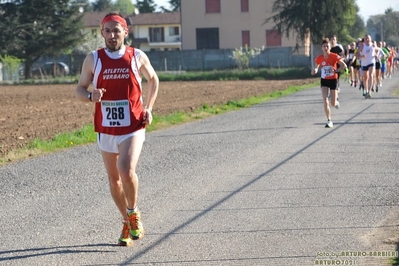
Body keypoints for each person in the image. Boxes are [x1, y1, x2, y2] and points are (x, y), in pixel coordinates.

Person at [75, 12, 159, 246]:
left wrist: (149, 108)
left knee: (126, 170)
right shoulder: (93, 59)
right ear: (101, 33)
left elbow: (153, 79)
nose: (112, 35)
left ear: (125, 32)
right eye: (108, 31)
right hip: (106, 127)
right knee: (114, 181)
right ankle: (126, 221)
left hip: (133, 125)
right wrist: (91, 95)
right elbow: (79, 90)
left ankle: (133, 213)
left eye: (116, 30)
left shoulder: (136, 56)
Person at [311, 38, 347, 128]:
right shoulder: (319, 58)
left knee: (333, 103)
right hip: (324, 80)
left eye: (327, 46)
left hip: (333, 80)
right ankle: (329, 120)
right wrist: (315, 70)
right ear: (322, 48)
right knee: (325, 100)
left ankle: (336, 102)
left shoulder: (334, 56)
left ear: (330, 47)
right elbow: (316, 66)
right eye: (324, 46)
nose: (326, 48)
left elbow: (344, 65)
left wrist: (336, 70)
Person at [356, 34, 380, 98]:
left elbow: (378, 50)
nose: (367, 39)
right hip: (364, 63)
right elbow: (356, 54)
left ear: (370, 39)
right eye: (366, 38)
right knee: (365, 78)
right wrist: (361, 56)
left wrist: (376, 55)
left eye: (368, 38)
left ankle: (369, 91)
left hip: (371, 62)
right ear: (364, 40)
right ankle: (366, 90)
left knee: (371, 75)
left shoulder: (373, 45)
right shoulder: (362, 46)